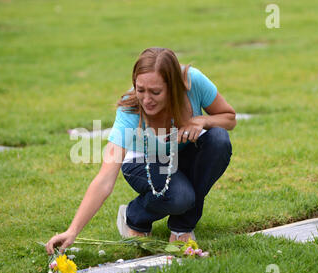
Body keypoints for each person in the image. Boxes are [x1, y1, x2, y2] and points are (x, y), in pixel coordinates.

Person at [46, 47, 236, 255]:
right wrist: (72, 231)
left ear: (173, 87)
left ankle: (182, 226)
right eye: (140, 89)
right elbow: (105, 178)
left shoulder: (193, 82)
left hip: (180, 152)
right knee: (180, 196)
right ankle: (133, 216)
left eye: (156, 92)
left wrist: (203, 120)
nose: (146, 99)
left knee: (218, 140)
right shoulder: (130, 110)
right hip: (143, 161)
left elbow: (229, 118)